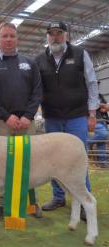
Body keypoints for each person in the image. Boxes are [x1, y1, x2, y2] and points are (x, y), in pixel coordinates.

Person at [35, 21, 99, 220]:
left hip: (77, 117)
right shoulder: (39, 59)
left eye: (59, 33)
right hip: (52, 117)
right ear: (47, 37)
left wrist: (92, 114)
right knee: (54, 160)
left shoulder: (80, 54)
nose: (55, 37)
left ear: (66, 35)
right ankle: (59, 196)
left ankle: (83, 201)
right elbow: (37, 89)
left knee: (78, 159)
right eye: (51, 33)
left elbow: (92, 83)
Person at [0, 22, 42, 220]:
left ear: (18, 38)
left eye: (12, 36)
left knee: (29, 161)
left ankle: (31, 203)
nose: (8, 39)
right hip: (1, 123)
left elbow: (37, 92)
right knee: (0, 163)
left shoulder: (30, 63)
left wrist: (28, 116)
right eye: (5, 36)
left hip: (27, 122)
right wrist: (6, 116)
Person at [88, 92, 109, 168]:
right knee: (104, 134)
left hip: (102, 120)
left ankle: (102, 162)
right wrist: (100, 105)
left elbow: (106, 107)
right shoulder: (86, 94)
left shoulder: (99, 95)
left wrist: (102, 106)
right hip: (91, 121)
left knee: (102, 141)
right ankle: (85, 142)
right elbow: (91, 106)